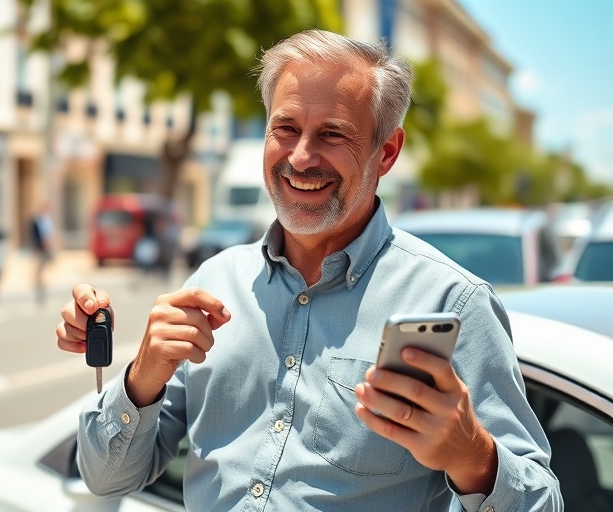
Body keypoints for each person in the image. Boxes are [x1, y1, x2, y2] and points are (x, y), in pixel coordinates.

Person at [54, 30, 561, 511]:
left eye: (332, 134)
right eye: (286, 128)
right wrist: (142, 377)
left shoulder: (452, 303)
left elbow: (545, 501)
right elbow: (106, 479)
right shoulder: (213, 282)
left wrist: (473, 455)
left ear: (386, 152)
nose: (300, 156)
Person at [29, 203, 54, 306]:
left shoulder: (45, 221)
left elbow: (47, 236)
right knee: (38, 274)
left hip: (43, 250)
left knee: (40, 273)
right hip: (40, 249)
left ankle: (41, 291)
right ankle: (40, 290)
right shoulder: (39, 221)